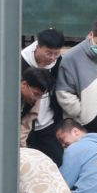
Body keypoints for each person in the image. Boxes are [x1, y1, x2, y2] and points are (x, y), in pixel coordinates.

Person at [23, 29, 67, 163]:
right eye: (48, 53)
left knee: (56, 159)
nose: (52, 58)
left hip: (48, 122)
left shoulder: (58, 62)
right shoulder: (21, 62)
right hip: (26, 123)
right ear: (37, 47)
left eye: (56, 53)